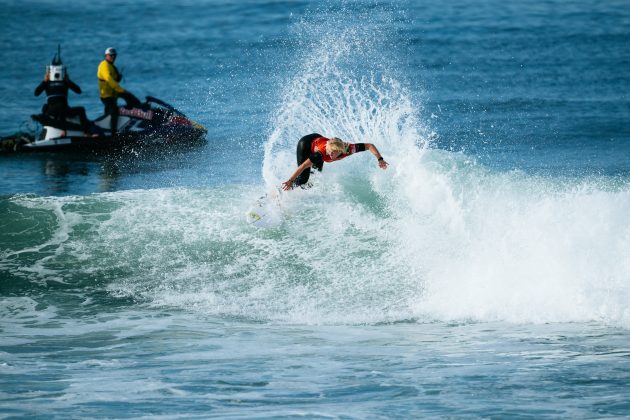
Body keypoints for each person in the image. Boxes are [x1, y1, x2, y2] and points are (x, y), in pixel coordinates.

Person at [282, 133, 389, 191]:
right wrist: (290, 180)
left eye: (334, 152)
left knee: (314, 179)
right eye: (330, 152)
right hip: (305, 144)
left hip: (318, 140)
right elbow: (304, 166)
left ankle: (296, 192)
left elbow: (369, 145)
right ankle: (281, 190)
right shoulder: (322, 153)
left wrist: (380, 159)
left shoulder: (349, 149)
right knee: (303, 179)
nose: (331, 155)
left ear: (340, 151)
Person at [34, 54, 93, 136]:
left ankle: (82, 131)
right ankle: (80, 132)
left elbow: (79, 91)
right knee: (74, 108)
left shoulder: (54, 82)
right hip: (58, 110)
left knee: (76, 109)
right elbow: (36, 93)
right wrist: (45, 81)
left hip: (58, 111)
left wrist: (68, 81)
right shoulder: (54, 82)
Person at [97, 47, 140, 137]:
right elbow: (109, 80)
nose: (113, 57)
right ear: (106, 56)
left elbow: (115, 79)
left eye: (114, 55)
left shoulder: (112, 66)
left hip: (114, 93)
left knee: (131, 99)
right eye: (111, 55)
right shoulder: (104, 65)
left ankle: (135, 118)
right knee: (113, 111)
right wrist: (121, 90)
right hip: (106, 95)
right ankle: (113, 134)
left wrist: (118, 78)